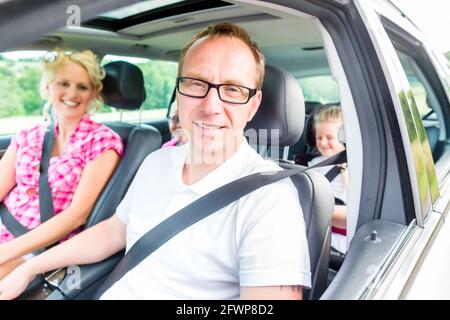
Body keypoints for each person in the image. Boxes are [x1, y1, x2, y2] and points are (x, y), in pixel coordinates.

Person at [0, 23, 310, 300]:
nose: (210, 106)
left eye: (232, 89)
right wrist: (29, 268)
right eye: (196, 83)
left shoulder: (270, 198)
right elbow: (113, 232)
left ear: (253, 105)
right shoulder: (157, 162)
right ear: (179, 90)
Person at [0, 50, 123, 280]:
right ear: (48, 88)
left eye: (82, 87)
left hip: (40, 246)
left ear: (94, 93)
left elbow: (77, 215)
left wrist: (5, 251)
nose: (72, 93)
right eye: (63, 83)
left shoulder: (102, 141)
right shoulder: (28, 135)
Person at [308, 105, 347, 255]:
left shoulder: (354, 169)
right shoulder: (313, 164)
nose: (323, 143)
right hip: (315, 236)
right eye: (319, 137)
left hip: (339, 247)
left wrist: (315, 209)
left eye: (329, 138)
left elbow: (351, 216)